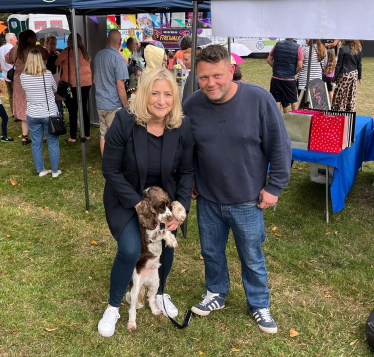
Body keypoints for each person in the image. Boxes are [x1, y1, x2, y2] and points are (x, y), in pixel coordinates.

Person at [183, 45, 291, 334]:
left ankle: (259, 304)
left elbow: (280, 145)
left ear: (231, 70)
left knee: (251, 256)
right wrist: (190, 178)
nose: (210, 83)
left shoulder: (259, 99)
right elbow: (187, 147)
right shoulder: (192, 104)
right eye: (203, 77)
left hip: (248, 199)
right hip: (207, 197)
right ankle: (216, 292)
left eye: (217, 75)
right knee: (211, 251)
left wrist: (275, 186)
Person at [98, 67, 194, 338]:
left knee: (166, 244)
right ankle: (114, 305)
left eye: (167, 94)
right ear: (143, 93)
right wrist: (137, 205)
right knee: (130, 249)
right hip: (126, 196)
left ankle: (160, 293)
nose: (161, 101)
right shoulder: (124, 122)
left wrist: (180, 207)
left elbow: (186, 172)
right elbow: (111, 169)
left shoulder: (181, 125)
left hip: (164, 200)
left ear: (174, 97)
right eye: (154, 93)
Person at [20, 49, 61, 178]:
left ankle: (41, 170)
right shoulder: (47, 74)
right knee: (53, 143)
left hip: (32, 114)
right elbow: (55, 89)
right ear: (41, 61)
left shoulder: (23, 76)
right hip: (49, 113)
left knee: (36, 143)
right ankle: (55, 171)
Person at [5, 29, 49, 145]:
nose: (36, 40)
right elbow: (46, 54)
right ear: (30, 39)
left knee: (24, 109)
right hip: (34, 80)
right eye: (35, 37)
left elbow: (7, 58)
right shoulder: (36, 49)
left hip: (19, 82)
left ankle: (24, 137)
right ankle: (37, 136)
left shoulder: (16, 49)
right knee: (35, 108)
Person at [94, 30, 129, 155]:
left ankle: (106, 162)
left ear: (106, 41)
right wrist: (126, 107)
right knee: (116, 136)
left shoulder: (98, 55)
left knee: (103, 134)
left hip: (100, 102)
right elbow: (120, 87)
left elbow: (94, 80)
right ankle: (115, 163)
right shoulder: (118, 58)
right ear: (120, 42)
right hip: (113, 104)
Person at [55, 33, 92, 143]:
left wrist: (59, 56)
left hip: (73, 84)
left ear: (70, 41)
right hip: (86, 83)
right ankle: (87, 134)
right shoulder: (84, 51)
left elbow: (57, 62)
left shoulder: (67, 51)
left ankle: (73, 136)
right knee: (83, 109)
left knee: (72, 110)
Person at [267, 38, 304, 111]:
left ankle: (277, 119)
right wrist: (293, 73)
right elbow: (300, 65)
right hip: (289, 79)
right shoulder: (298, 47)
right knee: (293, 100)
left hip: (276, 78)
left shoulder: (277, 44)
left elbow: (269, 60)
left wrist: (276, 68)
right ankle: (294, 118)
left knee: (276, 100)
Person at [332, 40, 362, 112]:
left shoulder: (343, 49)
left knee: (341, 95)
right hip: (354, 74)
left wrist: (334, 78)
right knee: (351, 95)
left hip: (344, 75)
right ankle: (350, 112)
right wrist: (359, 77)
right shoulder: (358, 49)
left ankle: (339, 111)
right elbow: (359, 64)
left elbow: (339, 65)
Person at [45, 34, 64, 118]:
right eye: (51, 44)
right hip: (48, 81)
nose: (53, 46)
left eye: (54, 44)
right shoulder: (44, 55)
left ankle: (60, 120)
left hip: (57, 80)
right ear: (46, 44)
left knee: (58, 102)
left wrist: (60, 56)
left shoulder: (59, 52)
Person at [0, 33, 18, 120]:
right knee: (17, 94)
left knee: (11, 95)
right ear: (11, 40)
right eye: (15, 39)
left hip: (5, 74)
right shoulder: (13, 49)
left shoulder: (0, 49)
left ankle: (14, 113)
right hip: (14, 74)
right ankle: (18, 113)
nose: (17, 40)